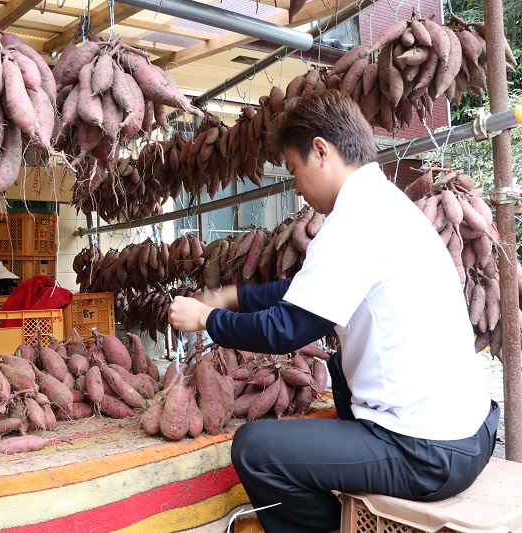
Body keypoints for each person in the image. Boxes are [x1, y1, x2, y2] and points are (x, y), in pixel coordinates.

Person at [168, 90, 498, 532]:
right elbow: (303, 293)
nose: (299, 190)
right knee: (342, 369)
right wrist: (231, 298)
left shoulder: (356, 221)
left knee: (255, 450)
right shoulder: (384, 204)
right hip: (470, 433)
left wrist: (207, 320)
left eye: (294, 170)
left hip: (429, 451)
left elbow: (285, 329)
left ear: (321, 151)